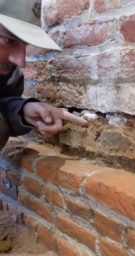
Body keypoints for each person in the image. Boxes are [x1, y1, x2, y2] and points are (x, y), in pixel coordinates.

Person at [0, 0, 87, 150]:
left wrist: (22, 109)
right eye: (9, 41)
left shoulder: (10, 77)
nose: (21, 61)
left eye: (25, 45)